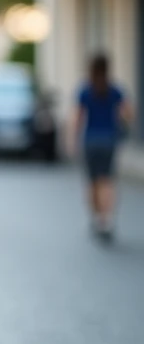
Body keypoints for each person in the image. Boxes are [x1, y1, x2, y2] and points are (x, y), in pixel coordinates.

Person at [73, 53, 133, 239]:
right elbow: (129, 113)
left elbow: (78, 118)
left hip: (90, 140)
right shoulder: (115, 90)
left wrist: (73, 140)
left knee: (92, 182)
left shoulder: (85, 90)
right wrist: (122, 125)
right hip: (109, 140)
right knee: (106, 180)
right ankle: (106, 220)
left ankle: (96, 216)